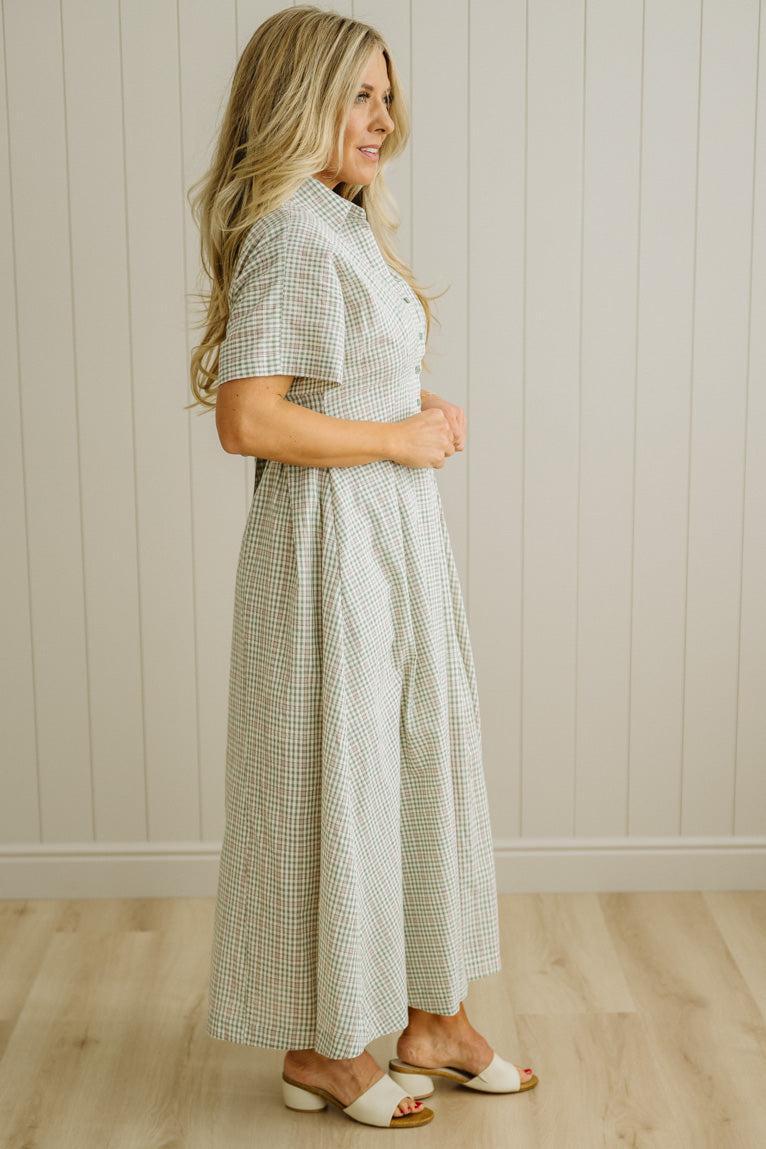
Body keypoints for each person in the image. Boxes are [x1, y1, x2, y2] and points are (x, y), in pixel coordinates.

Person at [187, 4, 538, 1131]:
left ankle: (433, 1016)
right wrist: (394, 438)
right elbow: (248, 419)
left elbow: (333, 382)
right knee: (336, 785)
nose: (385, 117)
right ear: (302, 101)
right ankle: (324, 1049)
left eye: (388, 94)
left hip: (391, 537)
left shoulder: (337, 224)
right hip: (329, 552)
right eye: (362, 95)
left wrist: (407, 403)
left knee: (421, 766)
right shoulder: (291, 228)